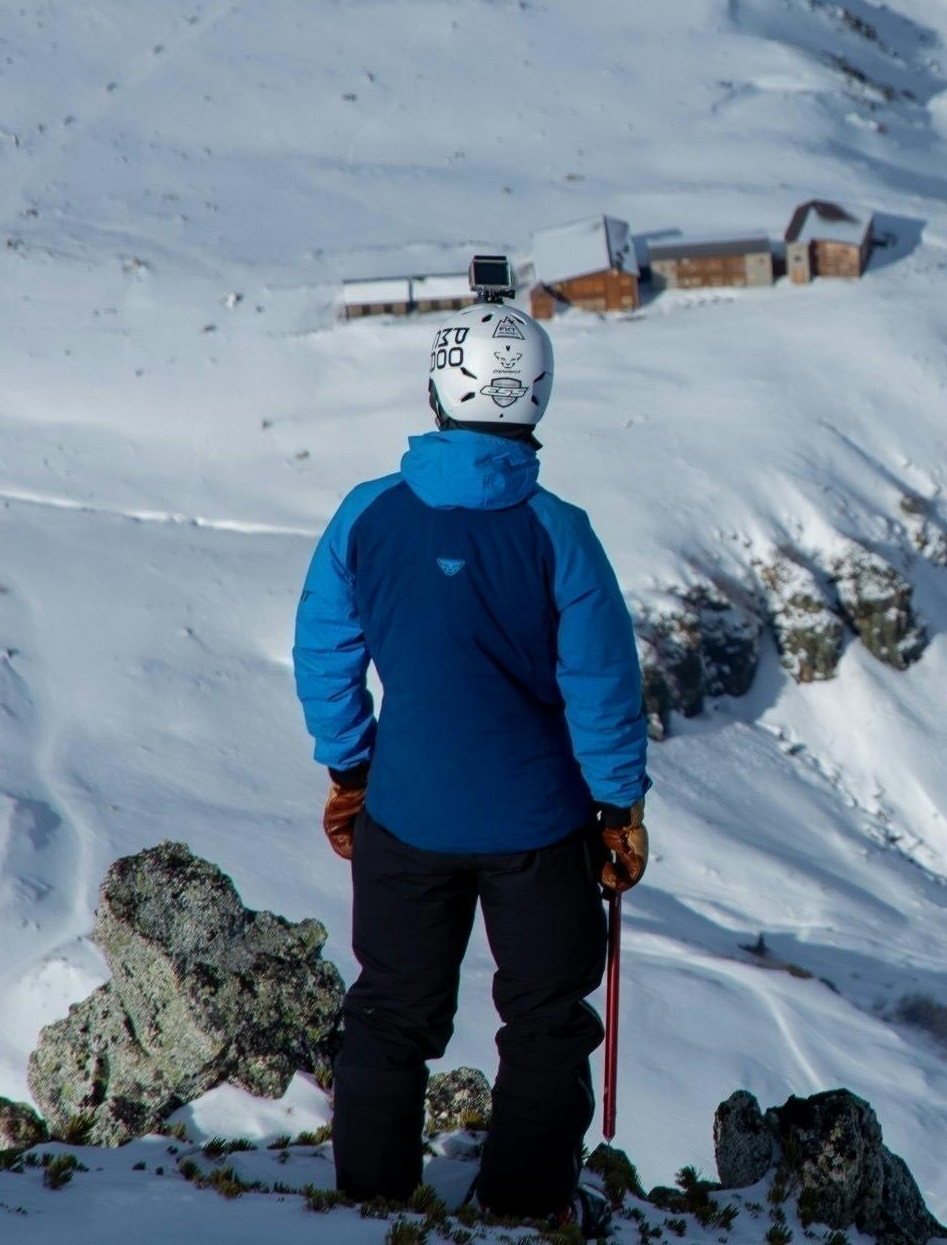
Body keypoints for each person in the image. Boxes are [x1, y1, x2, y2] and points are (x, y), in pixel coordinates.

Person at [291, 300, 649, 1225]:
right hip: (540, 827)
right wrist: (618, 808)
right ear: (535, 398)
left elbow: (327, 650)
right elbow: (602, 682)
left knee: (388, 1013)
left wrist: (351, 771)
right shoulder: (558, 531)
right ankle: (527, 1211)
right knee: (544, 1021)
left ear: (438, 390)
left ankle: (371, 1207)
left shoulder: (367, 515)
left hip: (405, 816)